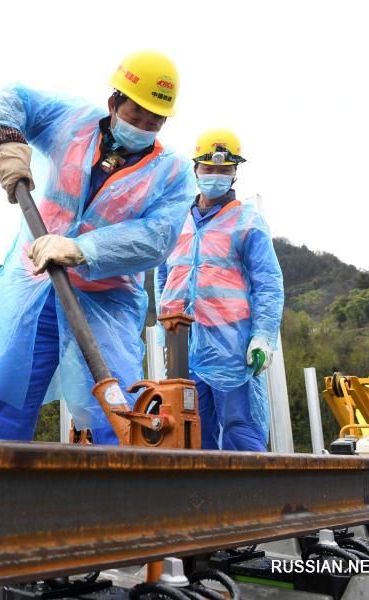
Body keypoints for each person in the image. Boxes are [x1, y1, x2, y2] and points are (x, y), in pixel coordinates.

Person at [0, 50, 196, 443]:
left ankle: (118, 496)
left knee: (118, 412)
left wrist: (83, 249)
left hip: (106, 302)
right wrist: (10, 141)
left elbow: (157, 237)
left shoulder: (173, 173)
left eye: (154, 121)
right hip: (40, 287)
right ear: (114, 103)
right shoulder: (73, 123)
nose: (143, 126)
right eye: (135, 115)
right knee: (10, 397)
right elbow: (15, 98)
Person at [157, 128, 284, 451]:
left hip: (232, 348)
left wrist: (263, 337)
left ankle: (252, 498)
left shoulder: (247, 221)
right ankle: (197, 500)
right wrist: (164, 334)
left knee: (241, 430)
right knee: (190, 434)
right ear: (196, 169)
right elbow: (164, 278)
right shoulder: (175, 221)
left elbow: (268, 284)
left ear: (235, 173)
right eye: (209, 168)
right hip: (182, 346)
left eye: (224, 169)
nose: (216, 175)